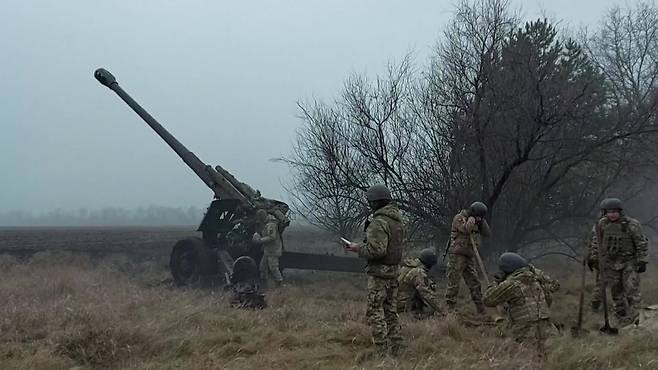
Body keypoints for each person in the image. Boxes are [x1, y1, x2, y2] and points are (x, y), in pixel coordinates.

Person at [346, 184, 404, 356]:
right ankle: (396, 347)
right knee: (391, 311)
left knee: (375, 311)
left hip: (380, 275)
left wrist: (358, 248)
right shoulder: (396, 220)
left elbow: (377, 250)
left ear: (375, 202)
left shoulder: (379, 222)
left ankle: (381, 351)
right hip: (393, 272)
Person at [483, 252, 560, 360]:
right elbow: (555, 288)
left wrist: (496, 282)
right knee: (554, 358)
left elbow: (487, 299)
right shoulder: (536, 277)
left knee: (526, 360)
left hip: (525, 331)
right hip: (548, 328)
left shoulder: (511, 284)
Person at [587, 198, 649, 326]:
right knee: (616, 293)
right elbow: (595, 243)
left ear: (620, 211)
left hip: (628, 262)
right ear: (605, 212)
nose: (612, 214)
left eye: (615, 211)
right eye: (609, 212)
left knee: (632, 291)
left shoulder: (631, 224)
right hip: (610, 263)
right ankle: (622, 318)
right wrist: (593, 259)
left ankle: (639, 319)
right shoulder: (600, 225)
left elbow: (641, 243)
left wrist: (642, 261)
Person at [445, 201, 491, 313]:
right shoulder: (460, 218)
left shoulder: (478, 221)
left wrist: (482, 222)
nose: (479, 219)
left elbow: (487, 233)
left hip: (469, 255)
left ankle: (480, 308)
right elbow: (465, 229)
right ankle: (449, 310)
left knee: (474, 282)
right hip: (457, 255)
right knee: (454, 283)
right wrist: (471, 221)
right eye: (478, 216)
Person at [397, 248, 442, 316]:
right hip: (402, 306)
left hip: (395, 301)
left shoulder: (407, 267)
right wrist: (441, 310)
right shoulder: (418, 272)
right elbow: (426, 294)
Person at [252, 209, 284, 287]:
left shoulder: (271, 224)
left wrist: (260, 240)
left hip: (273, 249)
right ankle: (264, 284)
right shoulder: (267, 223)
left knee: (273, 268)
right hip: (268, 250)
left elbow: (272, 237)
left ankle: (279, 283)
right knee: (262, 267)